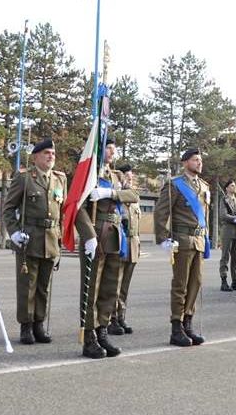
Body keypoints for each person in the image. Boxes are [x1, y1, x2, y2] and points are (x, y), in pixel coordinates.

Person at [75, 138, 139, 358]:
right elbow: (77, 207)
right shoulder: (87, 173)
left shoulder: (116, 176)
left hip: (114, 235)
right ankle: (89, 337)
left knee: (110, 288)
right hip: (96, 234)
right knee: (91, 289)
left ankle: (102, 331)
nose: (113, 152)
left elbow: (133, 195)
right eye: (109, 148)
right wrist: (88, 235)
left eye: (114, 148)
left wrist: (110, 193)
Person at [3, 138, 66, 345]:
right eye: (46, 153)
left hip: (51, 238)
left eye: (53, 153)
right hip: (29, 238)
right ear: (36, 157)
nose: (51, 156)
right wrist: (13, 233)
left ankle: (39, 323)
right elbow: (8, 208)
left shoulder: (59, 179)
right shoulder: (24, 178)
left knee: (43, 286)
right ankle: (26, 325)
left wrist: (61, 238)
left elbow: (62, 213)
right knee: (27, 286)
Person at [155, 148, 211, 347]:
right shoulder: (175, 184)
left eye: (200, 160)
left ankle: (188, 322)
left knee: (195, 282)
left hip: (199, 240)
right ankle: (176, 327)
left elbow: (205, 215)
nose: (199, 163)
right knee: (180, 284)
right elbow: (161, 212)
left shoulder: (204, 186)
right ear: (185, 162)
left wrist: (207, 237)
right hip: (182, 239)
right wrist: (163, 238)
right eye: (195, 160)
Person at [110, 162, 140, 335]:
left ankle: (121, 316)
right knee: (115, 283)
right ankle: (111, 318)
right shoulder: (117, 197)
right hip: (120, 243)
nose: (130, 179)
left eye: (131, 176)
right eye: (127, 176)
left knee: (125, 286)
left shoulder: (133, 197)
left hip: (133, 244)